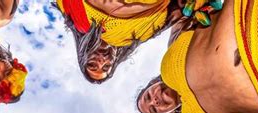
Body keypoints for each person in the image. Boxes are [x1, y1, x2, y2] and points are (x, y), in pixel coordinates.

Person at [54, 0, 222, 83]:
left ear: (83, 56)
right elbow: (177, 12)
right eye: (106, 67)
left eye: (92, 65)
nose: (101, 61)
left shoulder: (78, 19)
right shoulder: (140, 34)